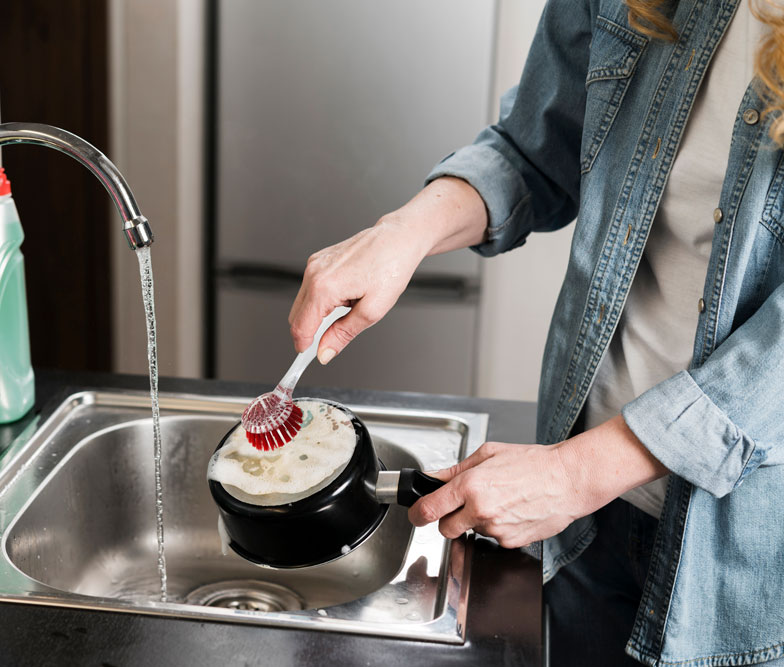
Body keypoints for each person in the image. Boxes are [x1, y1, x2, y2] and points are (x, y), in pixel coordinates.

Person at [287, 0, 784, 664]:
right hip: (580, 522)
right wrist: (403, 233)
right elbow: (536, 147)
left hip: (741, 562)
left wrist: (578, 473)